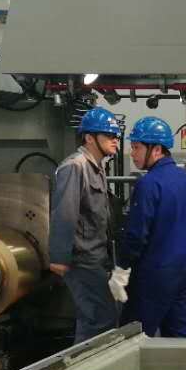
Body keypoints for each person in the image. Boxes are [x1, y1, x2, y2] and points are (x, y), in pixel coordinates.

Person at [114, 116, 186, 337]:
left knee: (132, 339)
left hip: (152, 278)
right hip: (183, 274)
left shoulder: (148, 184)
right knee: (178, 336)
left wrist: (121, 269)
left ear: (156, 150)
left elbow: (136, 235)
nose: (132, 153)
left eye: (136, 147)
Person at [49, 107, 122, 343]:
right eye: (109, 136)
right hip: (82, 259)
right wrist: (59, 257)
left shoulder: (96, 167)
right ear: (90, 138)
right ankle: (84, 363)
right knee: (98, 319)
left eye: (116, 136)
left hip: (96, 256)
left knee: (96, 317)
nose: (115, 141)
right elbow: (65, 213)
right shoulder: (75, 166)